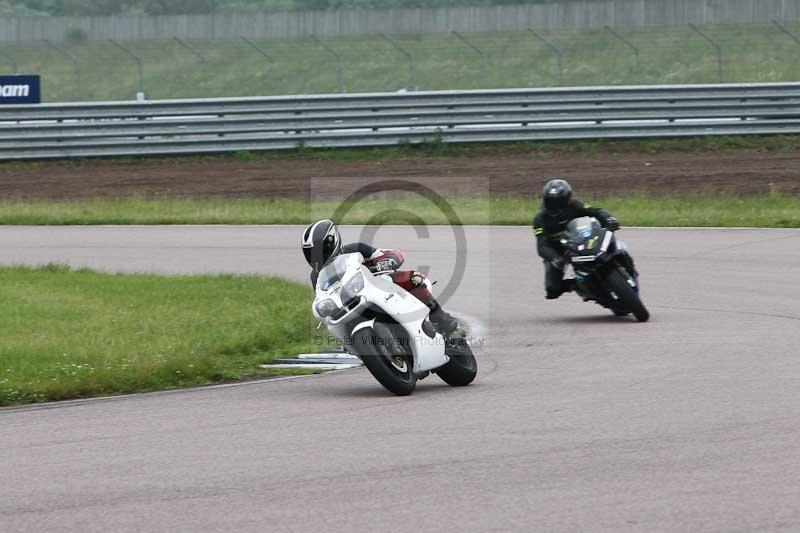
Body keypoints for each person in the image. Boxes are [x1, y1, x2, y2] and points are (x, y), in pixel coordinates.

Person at [301, 219, 460, 335]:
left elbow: (388, 254)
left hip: (378, 290)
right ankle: (361, 348)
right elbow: (322, 297)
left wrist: (387, 261)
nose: (314, 257)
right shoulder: (316, 276)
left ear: (332, 242)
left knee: (412, 278)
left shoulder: (356, 249)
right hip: (350, 307)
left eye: (318, 251)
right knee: (333, 327)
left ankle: (440, 317)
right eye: (310, 253)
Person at [533, 179, 620, 299]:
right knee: (552, 289)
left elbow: (595, 211)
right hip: (558, 251)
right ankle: (579, 285)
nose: (555, 206)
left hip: (580, 240)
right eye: (551, 202)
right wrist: (555, 258)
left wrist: (609, 219)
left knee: (611, 244)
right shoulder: (540, 218)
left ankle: (619, 259)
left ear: (567, 199)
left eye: (559, 202)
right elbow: (542, 245)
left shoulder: (575, 205)